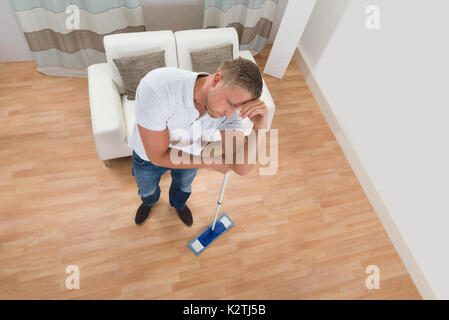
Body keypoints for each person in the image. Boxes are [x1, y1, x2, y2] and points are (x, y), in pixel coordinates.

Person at [127, 57, 268, 226]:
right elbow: (158, 156)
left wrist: (260, 127)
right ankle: (149, 203)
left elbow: (242, 168)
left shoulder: (229, 114)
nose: (230, 114)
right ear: (216, 80)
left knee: (183, 188)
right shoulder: (157, 89)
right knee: (147, 190)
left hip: (190, 158)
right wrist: (209, 162)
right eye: (230, 104)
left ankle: (178, 205)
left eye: (237, 109)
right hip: (147, 158)